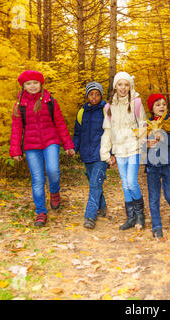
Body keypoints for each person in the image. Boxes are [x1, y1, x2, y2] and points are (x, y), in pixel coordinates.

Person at [9, 70, 75, 227]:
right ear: (23, 86)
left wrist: (68, 145)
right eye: (28, 83)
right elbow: (16, 129)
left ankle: (54, 192)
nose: (32, 86)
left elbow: (60, 123)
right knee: (37, 178)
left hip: (51, 141)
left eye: (35, 83)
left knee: (53, 170)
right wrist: (15, 150)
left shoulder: (49, 100)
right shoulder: (20, 105)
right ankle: (40, 211)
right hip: (31, 146)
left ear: (41, 84)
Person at [99, 72, 147, 230]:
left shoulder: (136, 103)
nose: (123, 88)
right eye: (120, 84)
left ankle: (140, 215)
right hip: (119, 150)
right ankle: (131, 217)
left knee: (132, 182)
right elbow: (107, 131)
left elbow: (142, 125)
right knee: (125, 184)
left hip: (133, 148)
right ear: (115, 86)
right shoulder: (108, 107)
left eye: (126, 85)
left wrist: (142, 146)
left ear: (130, 86)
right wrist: (106, 153)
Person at [73, 81, 108, 229]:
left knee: (95, 184)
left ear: (101, 95)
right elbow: (77, 134)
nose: (94, 97)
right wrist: (73, 149)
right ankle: (102, 206)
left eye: (97, 94)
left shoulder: (107, 110)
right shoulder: (81, 113)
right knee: (94, 182)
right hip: (87, 155)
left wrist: (111, 153)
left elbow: (112, 133)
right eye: (91, 94)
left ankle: (90, 216)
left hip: (101, 154)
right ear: (87, 96)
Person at [144, 94, 170, 238]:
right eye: (157, 104)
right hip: (152, 165)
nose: (161, 107)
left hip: (168, 164)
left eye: (164, 104)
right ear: (152, 108)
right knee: (153, 197)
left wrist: (164, 137)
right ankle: (157, 226)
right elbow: (140, 144)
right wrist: (145, 144)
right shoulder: (146, 124)